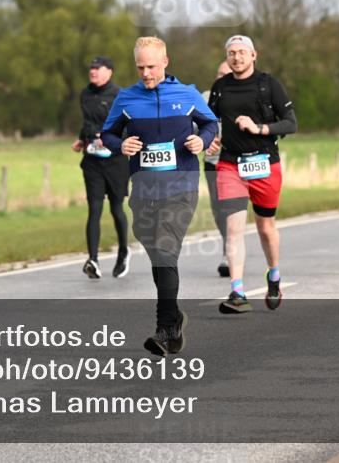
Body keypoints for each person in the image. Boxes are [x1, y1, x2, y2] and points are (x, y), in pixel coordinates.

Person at [101, 36, 218, 355]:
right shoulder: (126, 98)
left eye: (151, 66)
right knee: (156, 250)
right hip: (143, 188)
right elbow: (108, 133)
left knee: (166, 249)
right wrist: (119, 145)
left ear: (165, 62)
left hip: (181, 186)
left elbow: (210, 123)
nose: (146, 73)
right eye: (140, 67)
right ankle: (175, 318)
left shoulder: (187, 94)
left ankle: (165, 327)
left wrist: (201, 141)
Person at [207, 35, 297, 313]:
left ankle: (274, 273)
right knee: (234, 230)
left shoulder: (269, 85)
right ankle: (237, 290)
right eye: (231, 53)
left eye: (242, 52)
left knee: (265, 228)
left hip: (265, 164)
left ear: (253, 55)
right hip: (230, 165)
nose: (236, 57)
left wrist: (259, 128)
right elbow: (208, 121)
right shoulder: (220, 87)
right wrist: (209, 137)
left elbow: (290, 124)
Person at [72, 57, 131, 279]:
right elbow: (87, 121)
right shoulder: (85, 93)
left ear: (110, 72)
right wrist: (82, 139)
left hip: (115, 160)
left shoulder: (120, 95)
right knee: (94, 209)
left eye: (98, 68)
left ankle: (123, 253)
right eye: (91, 68)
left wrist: (111, 137)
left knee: (116, 208)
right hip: (92, 160)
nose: (93, 72)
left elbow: (128, 125)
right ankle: (93, 259)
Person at [202, 61, 238, 278]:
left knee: (231, 208)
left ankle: (231, 253)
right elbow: (193, 123)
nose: (222, 77)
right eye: (219, 73)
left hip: (235, 161)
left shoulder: (243, 96)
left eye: (227, 74)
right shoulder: (206, 97)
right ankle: (228, 245)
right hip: (212, 161)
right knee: (218, 209)